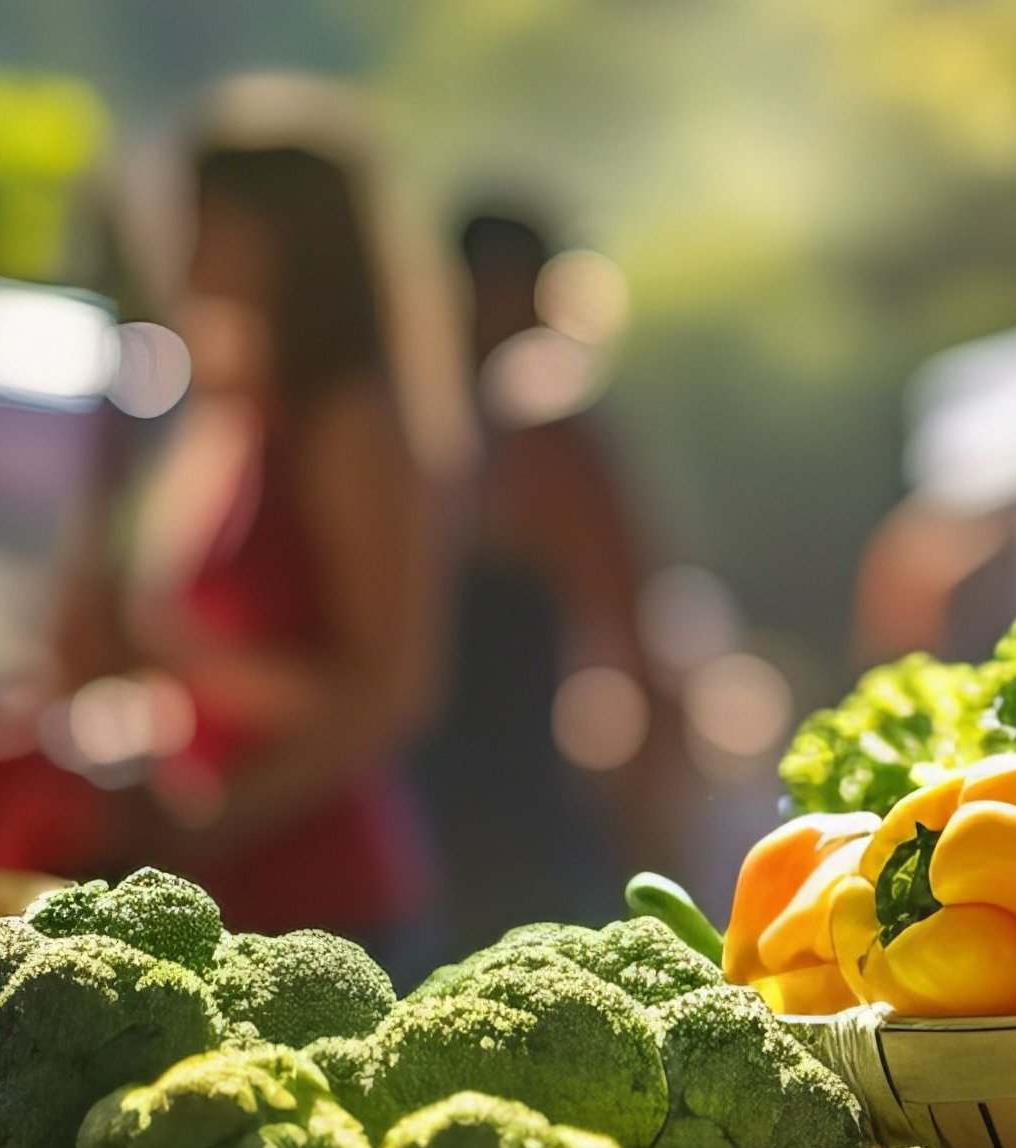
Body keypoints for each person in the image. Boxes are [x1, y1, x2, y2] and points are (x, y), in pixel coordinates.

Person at [55, 87, 455, 967]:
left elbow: (389, 689)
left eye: (206, 218)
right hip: (224, 885)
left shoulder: (350, 422)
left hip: (331, 908)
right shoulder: (231, 409)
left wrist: (218, 813)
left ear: (282, 239)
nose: (179, 243)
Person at [412, 209, 685, 947]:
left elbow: (629, 635)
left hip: (503, 822)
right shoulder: (520, 440)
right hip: (475, 829)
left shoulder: (529, 441)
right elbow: (633, 636)